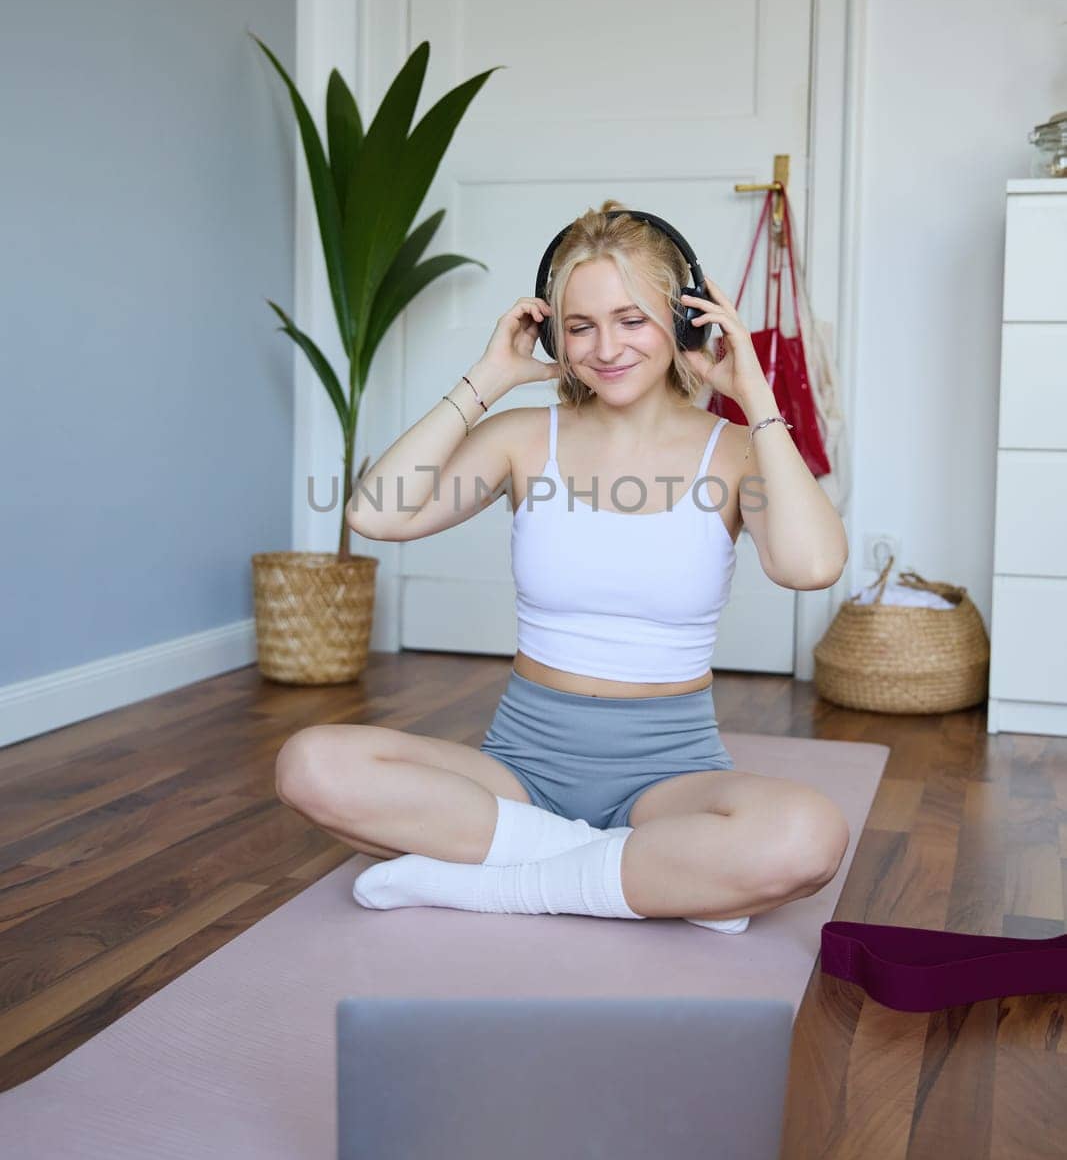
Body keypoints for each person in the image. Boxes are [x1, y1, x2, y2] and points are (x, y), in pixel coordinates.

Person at [275, 202, 851, 932]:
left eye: (632, 319)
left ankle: (500, 882)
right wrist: (486, 378)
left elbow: (811, 566)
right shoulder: (521, 438)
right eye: (579, 326)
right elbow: (376, 514)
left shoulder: (735, 452)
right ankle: (630, 870)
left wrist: (754, 394)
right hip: (518, 770)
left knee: (807, 836)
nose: (604, 348)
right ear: (552, 333)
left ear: (685, 320)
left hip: (669, 775)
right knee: (310, 765)